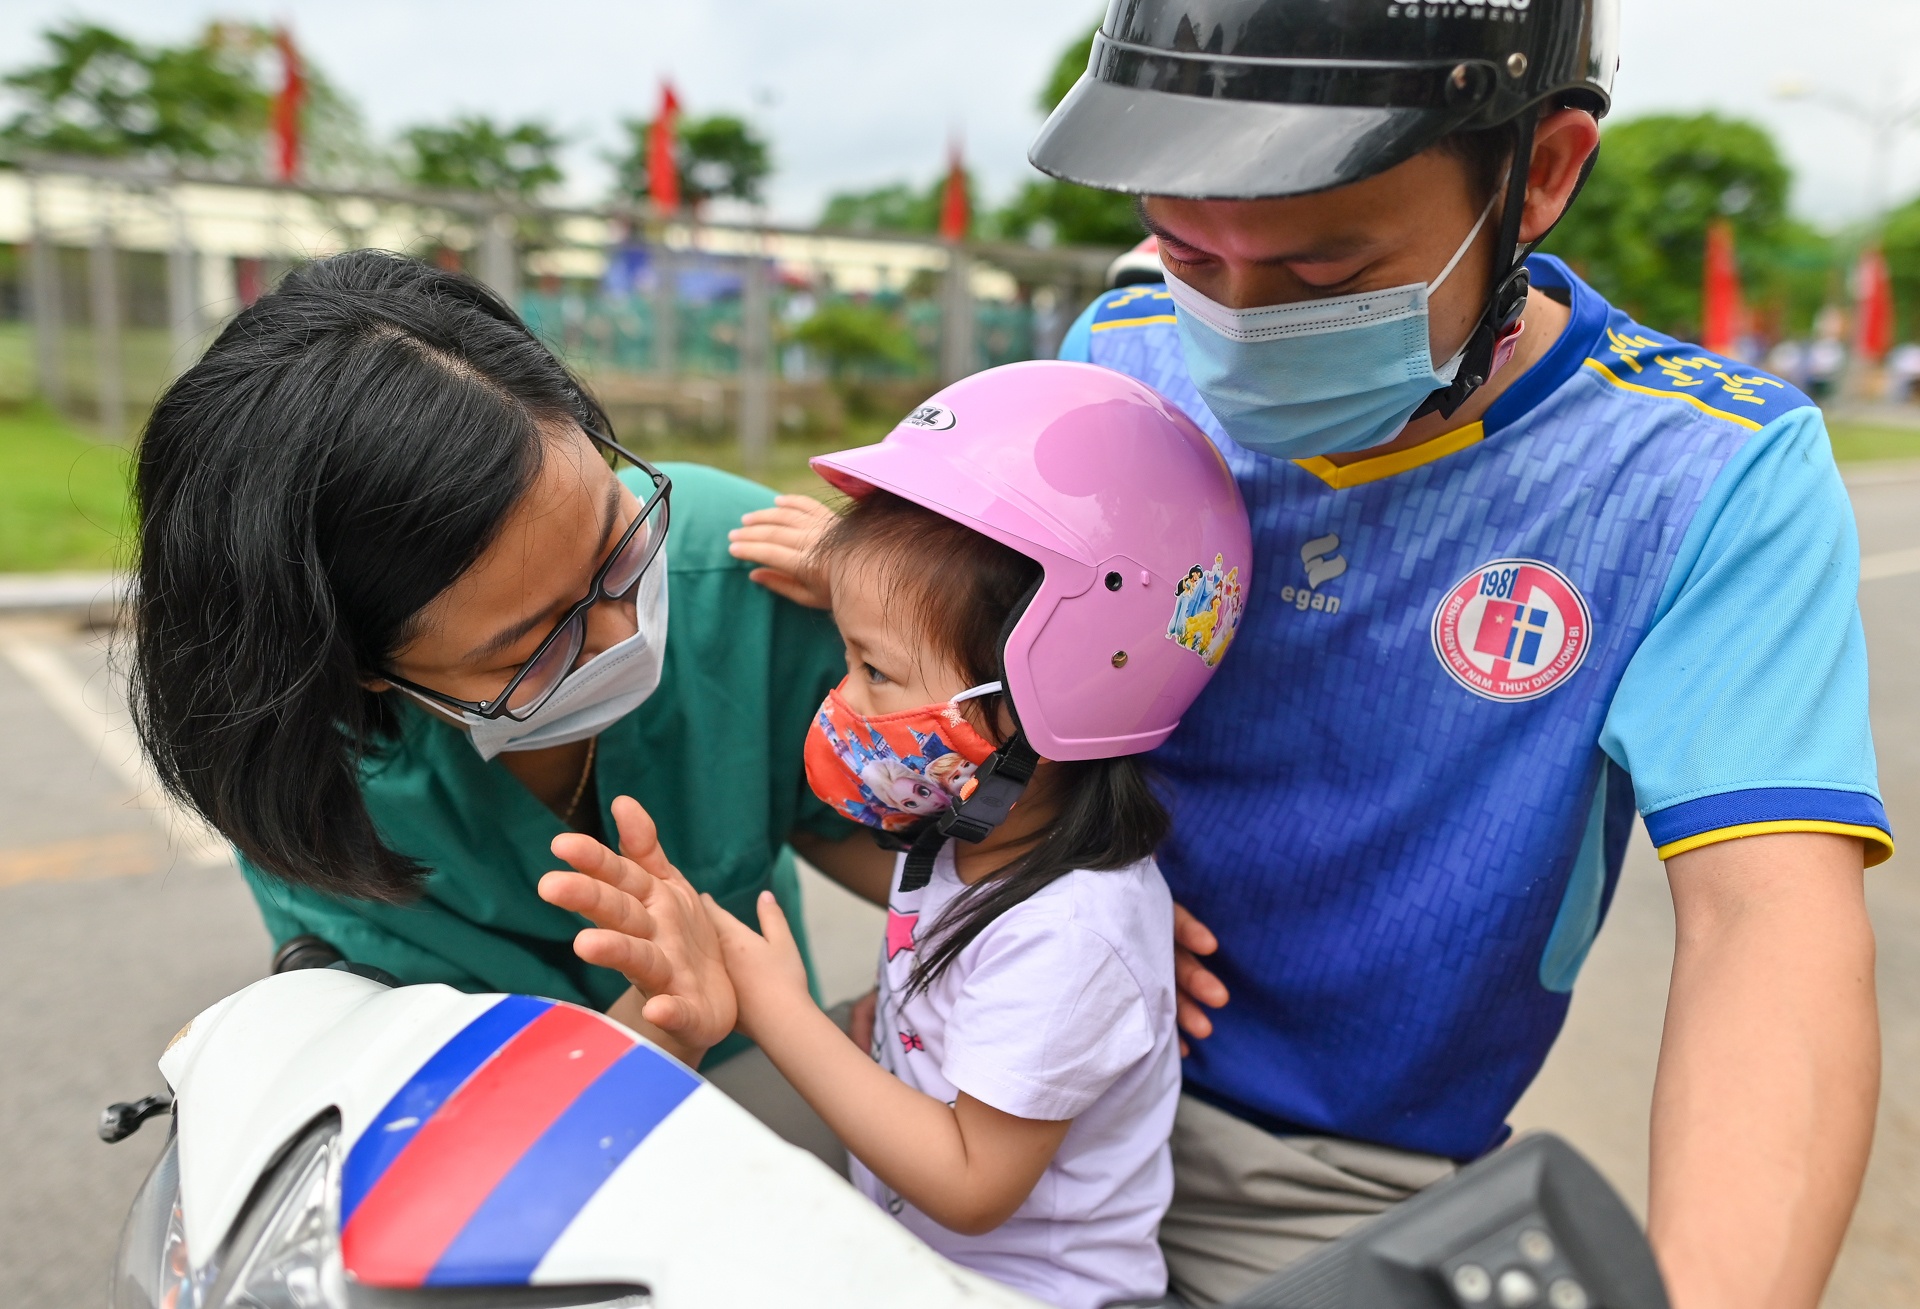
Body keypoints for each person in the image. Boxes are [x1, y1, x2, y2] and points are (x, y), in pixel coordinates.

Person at [1001, 2, 1890, 1304]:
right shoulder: (1120, 357)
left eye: (1323, 274)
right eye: (1187, 248)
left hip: (1320, 1189)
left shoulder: (1702, 473)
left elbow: (1769, 926)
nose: (1236, 317)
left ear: (1540, 174)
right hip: (1006, 1076)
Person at [127, 250, 894, 1153]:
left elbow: (950, 872)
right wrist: (655, 1031)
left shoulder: (747, 571)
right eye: (534, 643)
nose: (623, 631)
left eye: (619, 548)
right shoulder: (309, 781)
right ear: (365, 670)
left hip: (766, 1107)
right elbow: (435, 1141)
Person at [540, 362, 1254, 1308]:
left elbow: (971, 1183)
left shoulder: (1071, 933)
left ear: (1058, 688)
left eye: (874, 670)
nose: (841, 700)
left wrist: (774, 1002)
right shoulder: (974, 838)